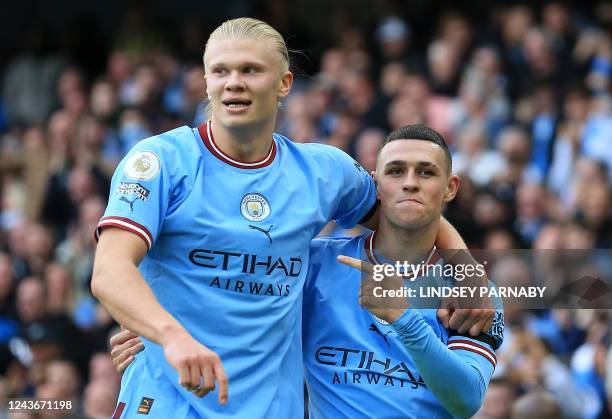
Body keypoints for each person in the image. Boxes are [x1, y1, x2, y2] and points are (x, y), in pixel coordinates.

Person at [93, 18, 492, 419]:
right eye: (220, 71)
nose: (233, 82)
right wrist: (168, 333)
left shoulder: (324, 172)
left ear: (284, 83)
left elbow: (407, 211)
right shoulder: (161, 161)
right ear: (206, 81)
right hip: (166, 402)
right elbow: (109, 271)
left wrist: (465, 267)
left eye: (250, 70)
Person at [111, 124, 502, 417]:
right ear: (375, 184)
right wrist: (155, 333)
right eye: (396, 171)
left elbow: (466, 399)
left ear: (450, 187)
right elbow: (232, 309)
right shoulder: (315, 266)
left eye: (426, 173)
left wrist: (404, 318)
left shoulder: (473, 293)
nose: (411, 184)